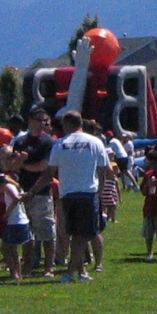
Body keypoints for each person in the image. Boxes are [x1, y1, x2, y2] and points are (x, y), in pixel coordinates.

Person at [50, 110, 110, 279]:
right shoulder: (95, 142)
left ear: (67, 124)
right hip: (88, 193)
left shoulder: (60, 144)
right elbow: (104, 170)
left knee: (74, 233)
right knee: (83, 235)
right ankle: (69, 272)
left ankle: (81, 272)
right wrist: (100, 192)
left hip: (67, 194)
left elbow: (50, 171)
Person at [9, 109, 57, 271]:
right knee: (26, 233)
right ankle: (28, 265)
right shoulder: (20, 141)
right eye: (39, 120)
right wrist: (19, 162)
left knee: (47, 232)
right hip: (23, 192)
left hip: (41, 193)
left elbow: (43, 167)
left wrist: (22, 163)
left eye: (45, 121)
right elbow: (12, 166)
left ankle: (48, 268)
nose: (42, 124)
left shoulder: (49, 142)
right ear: (30, 120)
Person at [138, 149, 157, 258]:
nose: (151, 164)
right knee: (148, 233)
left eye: (153, 161)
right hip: (149, 206)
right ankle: (149, 253)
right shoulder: (148, 174)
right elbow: (143, 192)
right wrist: (147, 185)